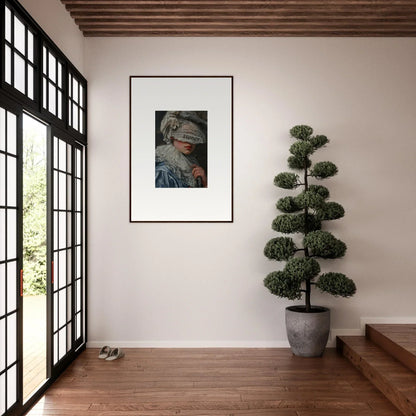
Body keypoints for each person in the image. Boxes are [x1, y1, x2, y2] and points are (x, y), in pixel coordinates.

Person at [155, 111, 207, 188]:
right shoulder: (163, 172)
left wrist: (205, 183)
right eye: (184, 137)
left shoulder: (192, 163)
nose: (189, 143)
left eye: (194, 139)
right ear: (172, 137)